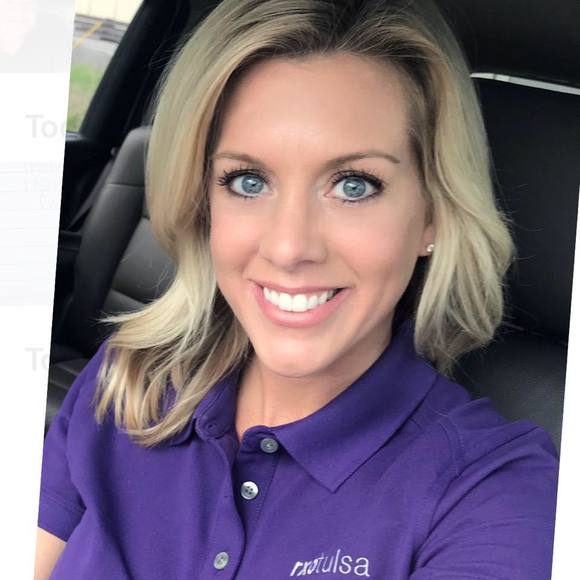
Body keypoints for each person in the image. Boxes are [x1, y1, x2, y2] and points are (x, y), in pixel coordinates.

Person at [34, 0, 559, 578]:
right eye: (247, 181)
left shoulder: (493, 490)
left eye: (354, 185)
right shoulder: (130, 378)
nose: (288, 248)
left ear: (432, 215)